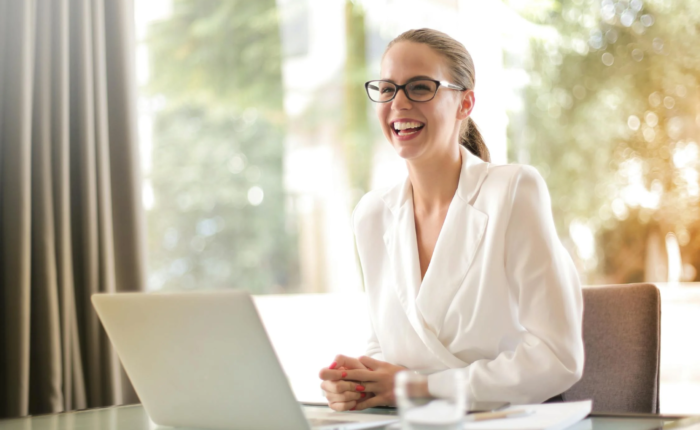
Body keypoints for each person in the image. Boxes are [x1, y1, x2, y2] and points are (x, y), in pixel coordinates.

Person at [318, 28, 584, 412]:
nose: (399, 103)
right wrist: (359, 382)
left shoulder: (512, 191)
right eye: (387, 88)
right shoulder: (372, 215)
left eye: (420, 87)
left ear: (465, 103)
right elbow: (385, 342)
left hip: (504, 419)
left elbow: (558, 357)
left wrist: (420, 386)